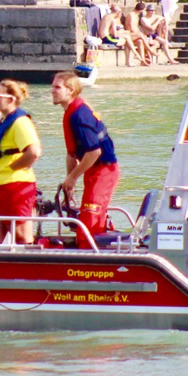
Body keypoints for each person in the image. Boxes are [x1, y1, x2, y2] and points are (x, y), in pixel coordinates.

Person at [50, 71, 121, 249]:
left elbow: (94, 152)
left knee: (88, 223)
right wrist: (70, 184)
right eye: (52, 87)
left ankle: (90, 256)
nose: (52, 91)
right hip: (93, 169)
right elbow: (71, 154)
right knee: (89, 217)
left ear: (71, 90)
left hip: (104, 170)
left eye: (57, 87)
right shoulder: (70, 112)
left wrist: (73, 177)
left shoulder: (79, 116)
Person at [0, 79, 42, 245]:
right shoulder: (5, 120)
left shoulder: (20, 122)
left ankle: (29, 268)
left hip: (16, 187)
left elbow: (34, 152)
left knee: (22, 237)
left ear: (11, 99)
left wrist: (15, 167)